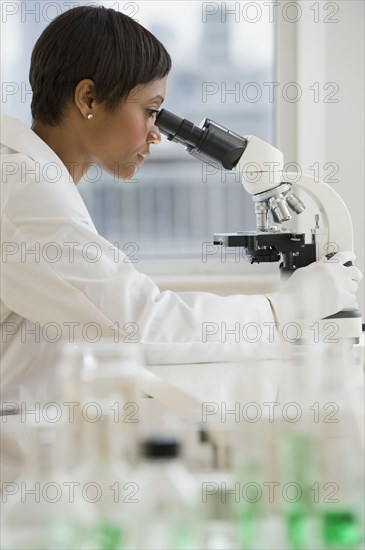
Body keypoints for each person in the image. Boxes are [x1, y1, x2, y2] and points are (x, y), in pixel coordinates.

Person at [0, 5, 362, 407]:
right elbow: (140, 325)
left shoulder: (32, 178)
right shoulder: (22, 188)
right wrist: (289, 309)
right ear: (89, 97)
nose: (156, 134)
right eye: (150, 111)